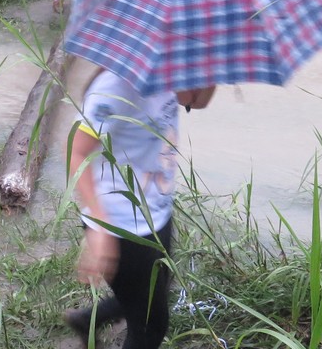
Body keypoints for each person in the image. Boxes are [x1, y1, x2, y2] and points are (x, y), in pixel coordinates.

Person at [64, 71, 215, 349]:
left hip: (156, 212)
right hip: (121, 225)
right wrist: (100, 227)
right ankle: (89, 319)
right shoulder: (117, 83)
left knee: (154, 290)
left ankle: (87, 319)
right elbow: (77, 151)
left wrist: (214, 68)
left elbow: (195, 100)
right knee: (150, 328)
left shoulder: (169, 70)